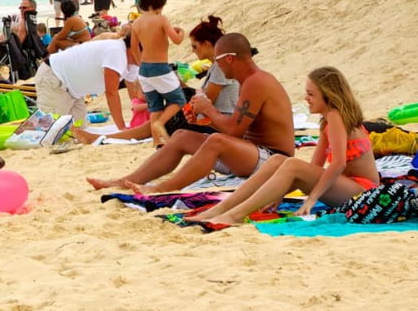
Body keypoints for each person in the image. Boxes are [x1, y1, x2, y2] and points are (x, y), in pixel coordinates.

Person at [87, 32, 294, 192]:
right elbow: (238, 127)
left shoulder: (257, 82)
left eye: (218, 60)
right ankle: (126, 181)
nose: (217, 65)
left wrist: (208, 110)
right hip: (252, 153)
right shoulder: (248, 81)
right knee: (181, 136)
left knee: (216, 141)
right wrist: (204, 119)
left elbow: (233, 132)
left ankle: (162, 188)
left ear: (229, 59)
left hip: (273, 160)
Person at [187, 66, 379, 226]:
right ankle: (221, 209)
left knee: (291, 165)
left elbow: (338, 164)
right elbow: (314, 167)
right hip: (349, 187)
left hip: (363, 193)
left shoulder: (336, 117)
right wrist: (280, 189)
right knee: (279, 160)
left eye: (311, 94)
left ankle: (234, 215)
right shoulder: (327, 121)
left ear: (328, 96)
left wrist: (312, 199)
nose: (306, 98)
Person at [33, 35, 139, 130]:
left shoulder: (132, 62)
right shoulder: (117, 53)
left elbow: (134, 94)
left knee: (80, 131)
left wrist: (139, 119)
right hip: (55, 78)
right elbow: (111, 93)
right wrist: (122, 127)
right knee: (47, 132)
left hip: (73, 91)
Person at [130, 0, 186, 145]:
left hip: (144, 69)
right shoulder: (161, 19)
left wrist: (141, 63)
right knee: (178, 100)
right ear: (161, 3)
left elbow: (134, 47)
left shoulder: (136, 23)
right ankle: (160, 123)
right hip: (160, 67)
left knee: (155, 106)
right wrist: (181, 32)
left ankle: (156, 141)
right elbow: (176, 40)